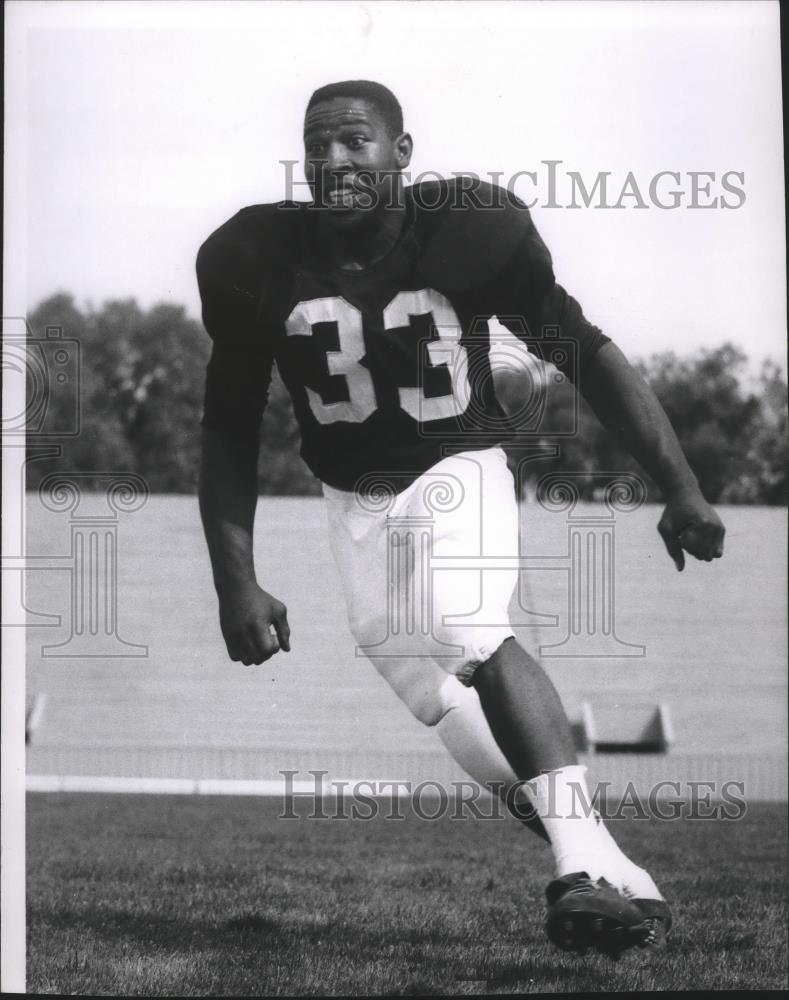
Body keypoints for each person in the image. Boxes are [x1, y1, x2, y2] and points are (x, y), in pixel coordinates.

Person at [196, 79, 725, 958]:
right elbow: (227, 426)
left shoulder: (466, 229)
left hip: (459, 459)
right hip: (351, 494)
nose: (335, 160)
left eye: (356, 141)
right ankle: (612, 872)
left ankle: (577, 873)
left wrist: (679, 486)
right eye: (317, 144)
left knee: (464, 626)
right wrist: (235, 581)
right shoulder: (254, 255)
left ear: (401, 153)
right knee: (436, 698)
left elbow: (583, 351)